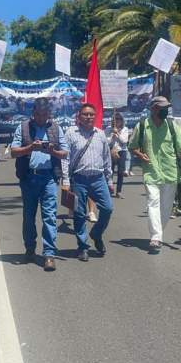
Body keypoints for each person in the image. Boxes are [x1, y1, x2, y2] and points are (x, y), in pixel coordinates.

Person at [129, 96, 181, 252]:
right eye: (161, 107)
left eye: (166, 107)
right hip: (151, 172)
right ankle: (156, 237)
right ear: (153, 108)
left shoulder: (172, 126)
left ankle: (158, 233)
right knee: (153, 202)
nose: (165, 110)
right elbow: (132, 147)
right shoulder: (142, 126)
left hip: (170, 172)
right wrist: (140, 154)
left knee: (165, 208)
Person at [10, 99, 68, 271]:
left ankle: (49, 254)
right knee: (29, 216)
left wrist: (52, 151)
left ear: (49, 113)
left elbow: (64, 153)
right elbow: (13, 152)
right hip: (29, 178)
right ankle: (29, 248)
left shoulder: (56, 128)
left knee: (49, 216)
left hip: (49, 177)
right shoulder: (23, 127)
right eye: (38, 114)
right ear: (33, 113)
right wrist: (30, 148)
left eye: (45, 114)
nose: (42, 118)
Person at [61, 103, 113, 262]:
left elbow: (106, 158)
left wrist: (109, 179)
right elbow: (65, 157)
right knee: (79, 213)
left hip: (98, 178)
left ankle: (96, 234)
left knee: (108, 208)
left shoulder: (100, 134)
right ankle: (82, 246)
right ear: (79, 116)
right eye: (85, 114)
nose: (89, 117)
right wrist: (65, 180)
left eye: (91, 114)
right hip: (79, 179)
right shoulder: (71, 133)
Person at [107, 113, 130, 199]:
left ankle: (119, 191)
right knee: (110, 171)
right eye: (115, 120)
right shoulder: (108, 129)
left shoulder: (125, 129)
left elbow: (124, 141)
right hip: (111, 150)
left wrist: (118, 134)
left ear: (122, 121)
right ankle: (109, 189)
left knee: (120, 172)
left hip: (122, 151)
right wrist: (112, 136)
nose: (117, 122)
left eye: (119, 120)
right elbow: (106, 142)